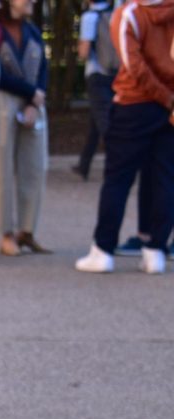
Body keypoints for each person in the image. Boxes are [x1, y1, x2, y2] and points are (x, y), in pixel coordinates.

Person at [76, 0, 174, 275]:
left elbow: (133, 65)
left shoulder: (130, 13)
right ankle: (156, 250)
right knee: (164, 178)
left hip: (134, 105)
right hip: (168, 106)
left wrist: (165, 97)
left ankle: (103, 249)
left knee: (117, 180)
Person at [0, 0, 50, 257]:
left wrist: (37, 98)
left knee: (34, 166)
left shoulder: (32, 30)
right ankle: (6, 233)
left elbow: (43, 65)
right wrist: (32, 93)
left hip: (33, 102)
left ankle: (27, 230)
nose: (32, 1)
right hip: (3, 102)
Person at [74, 0, 117, 180]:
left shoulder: (90, 17)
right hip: (114, 74)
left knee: (103, 122)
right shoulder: (116, 13)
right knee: (96, 122)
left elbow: (84, 52)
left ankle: (117, 162)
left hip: (96, 75)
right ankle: (84, 165)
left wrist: (79, 47)